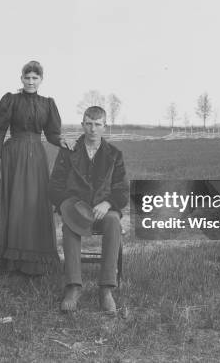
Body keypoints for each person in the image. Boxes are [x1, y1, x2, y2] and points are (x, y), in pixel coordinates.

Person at [0, 60, 71, 275]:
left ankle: (34, 261)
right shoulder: (11, 100)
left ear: (41, 80)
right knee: (14, 204)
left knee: (35, 203)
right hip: (13, 155)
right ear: (21, 78)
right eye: (27, 77)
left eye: (35, 78)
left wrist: (62, 141)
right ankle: (10, 261)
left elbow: (51, 134)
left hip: (36, 159)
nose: (31, 81)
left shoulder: (47, 103)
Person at [49, 106, 128, 314]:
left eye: (98, 124)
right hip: (76, 208)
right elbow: (55, 185)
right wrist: (72, 205)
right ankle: (73, 287)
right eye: (89, 124)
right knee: (70, 224)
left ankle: (106, 289)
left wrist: (108, 203)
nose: (93, 129)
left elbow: (122, 190)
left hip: (105, 209)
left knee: (113, 221)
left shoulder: (115, 155)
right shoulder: (68, 152)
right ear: (83, 124)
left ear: (105, 127)